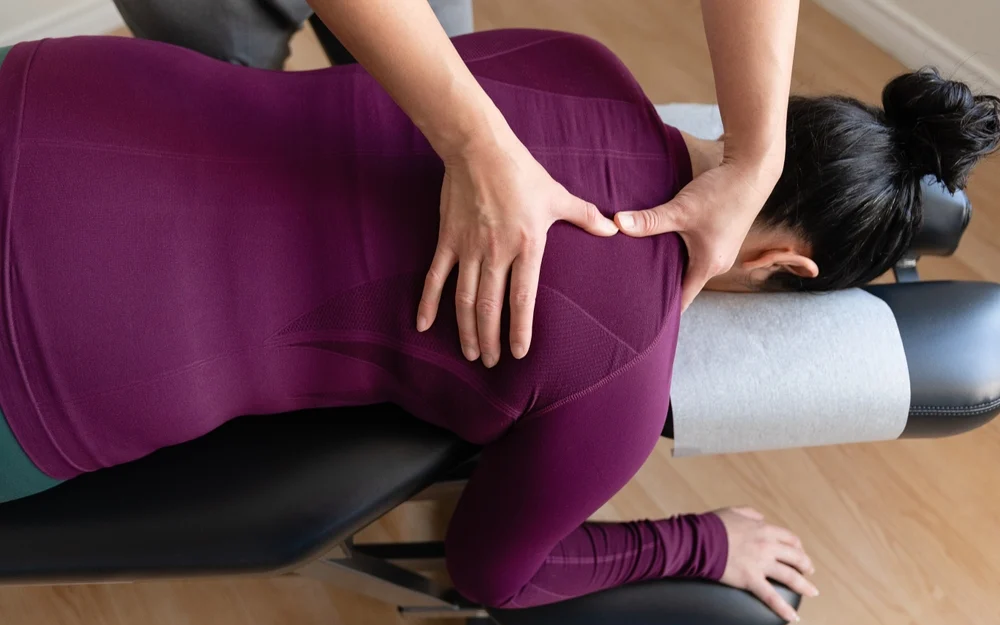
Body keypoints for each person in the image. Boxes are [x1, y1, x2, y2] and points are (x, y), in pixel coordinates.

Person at [0, 30, 997, 621]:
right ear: (788, 268)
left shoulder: (581, 59)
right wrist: (698, 542)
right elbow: (495, 574)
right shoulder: (624, 381)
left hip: (59, 94)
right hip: (56, 359)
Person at [111, 0, 801, 369]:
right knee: (224, 150)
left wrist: (759, 153)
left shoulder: (584, 62)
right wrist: (475, 143)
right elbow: (498, 570)